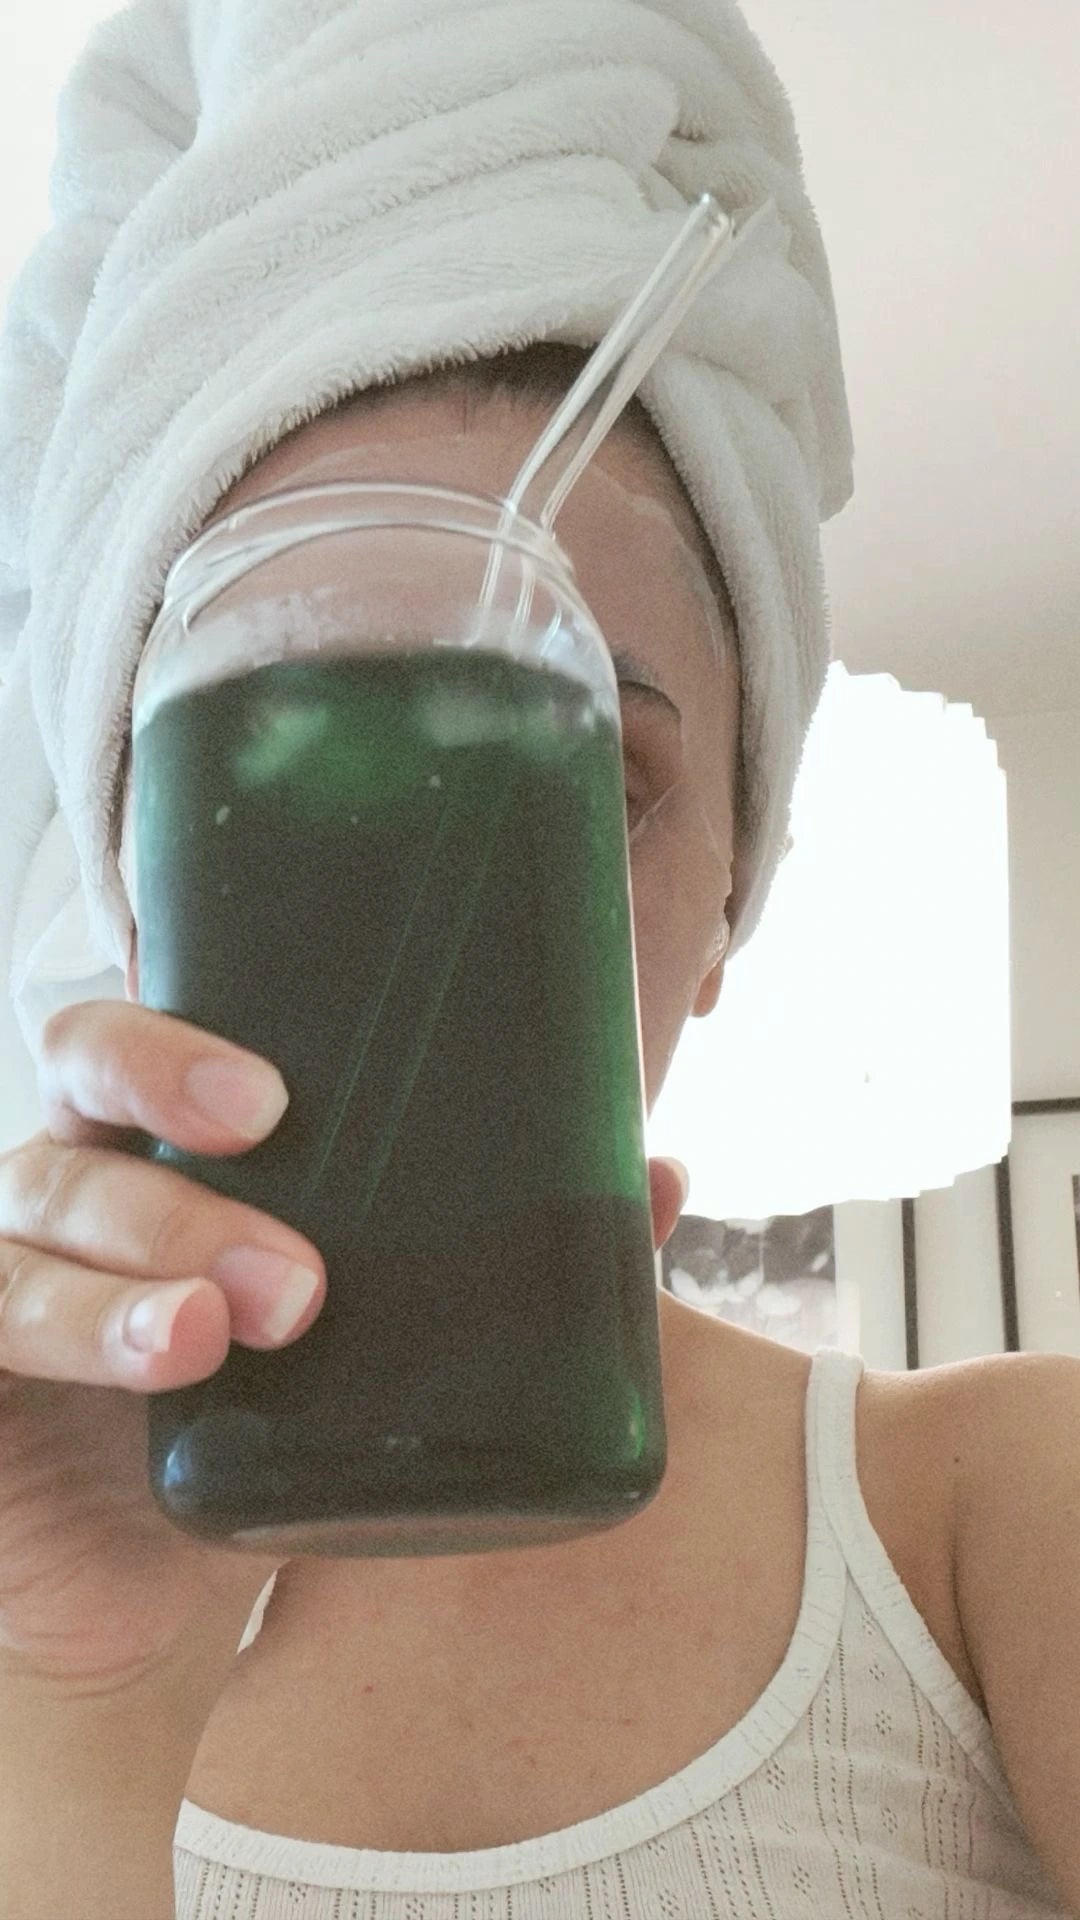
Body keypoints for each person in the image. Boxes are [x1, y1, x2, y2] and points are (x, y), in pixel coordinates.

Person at [0, 338, 1078, 1920]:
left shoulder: (1010, 1494)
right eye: (309, 768)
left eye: (598, 774)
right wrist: (79, 1706)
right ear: (150, 919)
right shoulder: (23, 1567)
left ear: (730, 901)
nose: (443, 866)